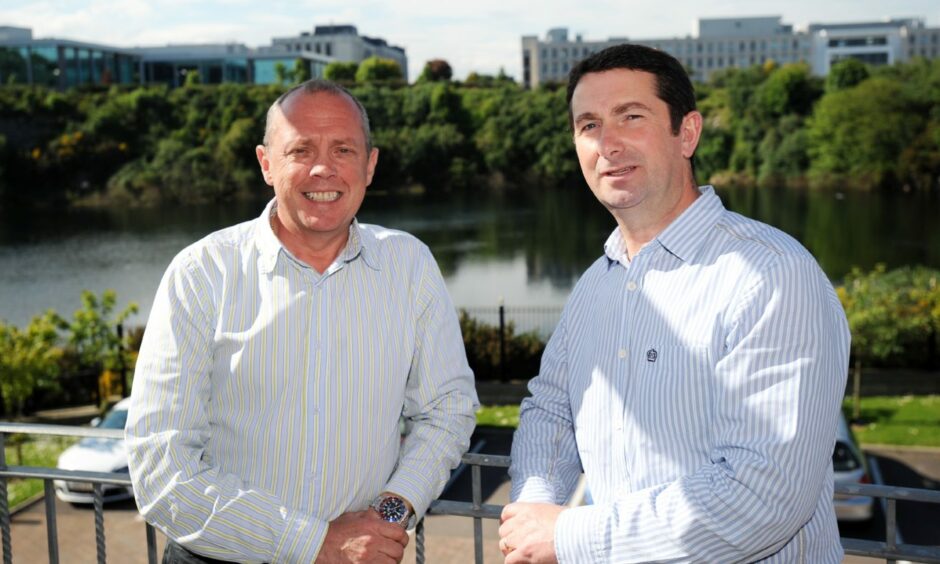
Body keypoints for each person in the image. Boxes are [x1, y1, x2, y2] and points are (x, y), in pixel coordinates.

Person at [499, 44, 850, 563]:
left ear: (687, 133)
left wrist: (569, 537)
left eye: (631, 117)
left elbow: (764, 497)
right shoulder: (597, 285)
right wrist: (536, 506)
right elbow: (551, 411)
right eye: (588, 125)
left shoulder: (772, 275)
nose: (607, 144)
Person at [125, 79, 478, 563]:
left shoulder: (409, 266)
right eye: (300, 149)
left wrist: (388, 516)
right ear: (266, 164)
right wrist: (314, 543)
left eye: (343, 149)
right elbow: (160, 469)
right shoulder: (201, 273)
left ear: (370, 165)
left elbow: (448, 409)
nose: (323, 168)